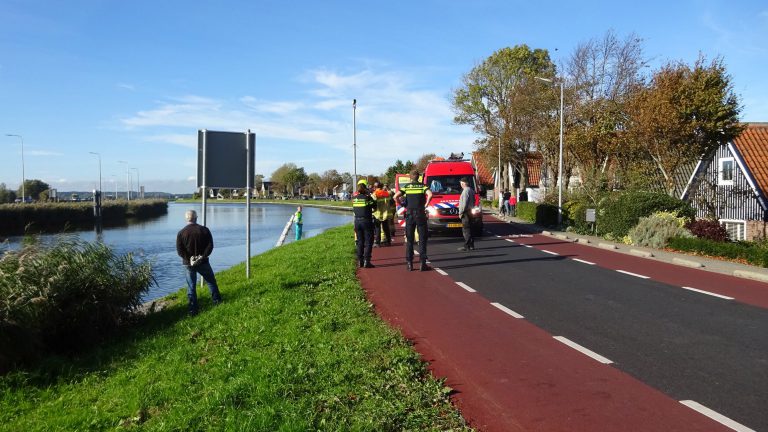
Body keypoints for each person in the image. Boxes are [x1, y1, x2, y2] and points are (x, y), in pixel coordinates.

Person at [176, 209, 222, 316]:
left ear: (186, 219)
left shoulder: (181, 233)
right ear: (196, 218)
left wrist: (189, 259)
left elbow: (180, 251)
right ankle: (217, 302)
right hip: (203, 262)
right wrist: (202, 256)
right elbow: (210, 246)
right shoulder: (204, 230)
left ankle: (193, 310)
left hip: (188, 264)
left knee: (191, 286)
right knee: (211, 282)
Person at [394, 170, 433, 271]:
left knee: (410, 240)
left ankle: (409, 263)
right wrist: (426, 205)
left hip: (410, 215)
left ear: (410, 178)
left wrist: (401, 204)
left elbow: (395, 196)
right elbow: (430, 194)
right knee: (422, 239)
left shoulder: (406, 187)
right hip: (420, 214)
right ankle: (422, 264)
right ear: (418, 177)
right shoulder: (422, 186)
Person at [352, 179, 376, 268]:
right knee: (369, 241)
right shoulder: (367, 198)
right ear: (366, 188)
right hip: (366, 221)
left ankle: (360, 261)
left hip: (357, 221)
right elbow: (375, 206)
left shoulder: (354, 199)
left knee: (360, 241)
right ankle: (367, 261)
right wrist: (369, 195)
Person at [458, 177, 476, 251]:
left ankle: (466, 246)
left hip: (465, 212)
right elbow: (474, 200)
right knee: (470, 229)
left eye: (461, 183)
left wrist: (461, 212)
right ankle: (471, 245)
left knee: (466, 229)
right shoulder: (471, 190)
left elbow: (464, 203)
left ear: (463, 183)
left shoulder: (465, 191)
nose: (461, 185)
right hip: (470, 211)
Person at [372, 182, 391, 247]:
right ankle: (388, 241)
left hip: (377, 214)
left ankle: (377, 242)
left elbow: (373, 204)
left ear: (375, 187)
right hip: (385, 214)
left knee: (377, 228)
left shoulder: (375, 194)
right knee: (386, 228)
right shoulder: (386, 193)